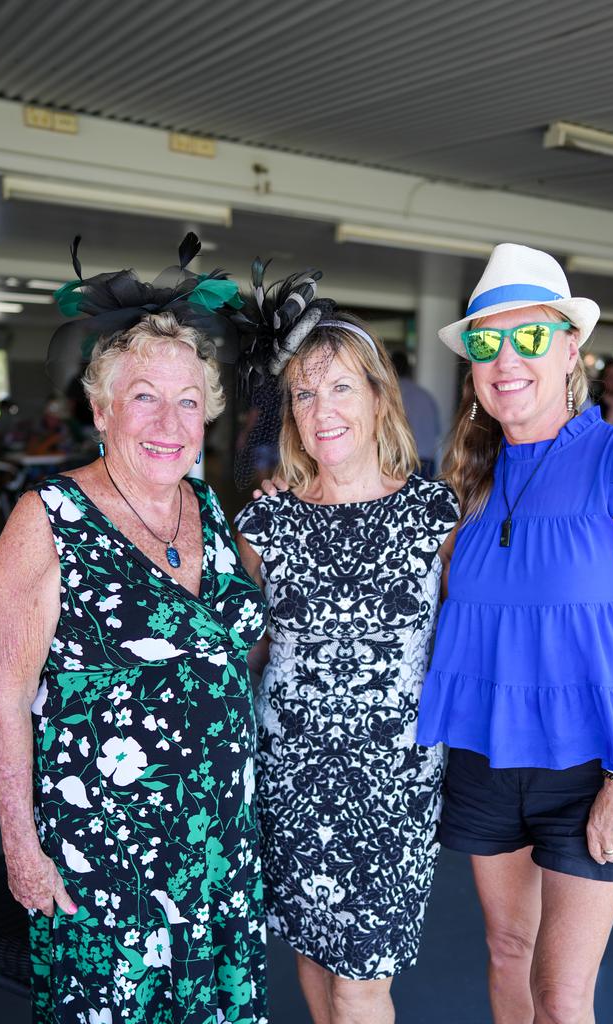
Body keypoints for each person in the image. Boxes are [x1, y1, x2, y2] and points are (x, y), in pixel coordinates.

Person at [0, 236, 269, 1024]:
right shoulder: (48, 519)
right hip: (108, 856)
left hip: (217, 844)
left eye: (187, 401)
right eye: (144, 396)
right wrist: (21, 848)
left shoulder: (204, 504)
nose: (168, 421)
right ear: (101, 408)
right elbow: (5, 699)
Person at [416, 243, 613, 1024]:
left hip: (591, 766)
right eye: (486, 342)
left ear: (571, 349)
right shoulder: (466, 483)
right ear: (470, 366)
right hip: (485, 756)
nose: (507, 359)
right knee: (507, 952)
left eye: (529, 337)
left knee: (562, 993)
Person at [233, 267, 459, 1024]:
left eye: (339, 389)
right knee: (314, 959)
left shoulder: (436, 516)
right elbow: (253, 650)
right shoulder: (264, 524)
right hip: (291, 771)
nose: (320, 409)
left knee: (363, 982)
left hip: (392, 780)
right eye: (303, 393)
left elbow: (465, 640)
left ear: (377, 398)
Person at [391, 350, 441, 476]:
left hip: (403, 460)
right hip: (428, 461)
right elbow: (437, 432)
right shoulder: (425, 395)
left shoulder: (391, 395)